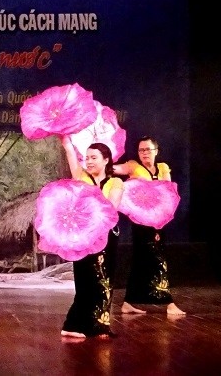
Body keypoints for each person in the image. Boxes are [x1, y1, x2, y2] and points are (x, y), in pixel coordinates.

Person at [113, 136, 186, 316]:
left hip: (159, 221)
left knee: (141, 261)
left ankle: (128, 302)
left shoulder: (162, 168)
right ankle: (168, 302)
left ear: (156, 151)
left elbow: (168, 194)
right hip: (140, 222)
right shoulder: (133, 166)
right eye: (141, 150)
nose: (144, 153)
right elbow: (112, 168)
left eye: (148, 149)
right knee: (156, 260)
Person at [60, 137, 124, 339]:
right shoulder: (81, 177)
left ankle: (98, 324)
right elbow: (70, 153)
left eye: (93, 157)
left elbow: (111, 209)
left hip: (106, 237)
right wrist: (66, 140)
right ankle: (74, 324)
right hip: (83, 237)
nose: (89, 161)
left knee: (103, 281)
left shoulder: (116, 182)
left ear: (106, 160)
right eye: (87, 157)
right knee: (84, 280)